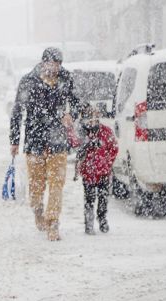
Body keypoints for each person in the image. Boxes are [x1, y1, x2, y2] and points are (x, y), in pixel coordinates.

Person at [10, 47, 82, 241]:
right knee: (36, 187)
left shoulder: (66, 79)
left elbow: (76, 103)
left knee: (57, 184)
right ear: (43, 63)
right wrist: (14, 140)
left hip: (57, 140)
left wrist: (71, 114)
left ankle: (53, 222)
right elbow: (17, 112)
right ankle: (38, 209)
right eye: (52, 64)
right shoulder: (28, 81)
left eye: (58, 64)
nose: (56, 68)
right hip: (35, 140)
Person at [74, 105, 118, 235]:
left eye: (94, 118)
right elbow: (77, 150)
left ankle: (102, 218)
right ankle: (89, 222)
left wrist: (108, 163)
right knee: (89, 198)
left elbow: (114, 148)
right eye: (88, 119)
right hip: (88, 173)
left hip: (104, 172)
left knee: (103, 198)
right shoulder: (83, 134)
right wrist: (87, 144)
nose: (91, 122)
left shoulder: (106, 132)